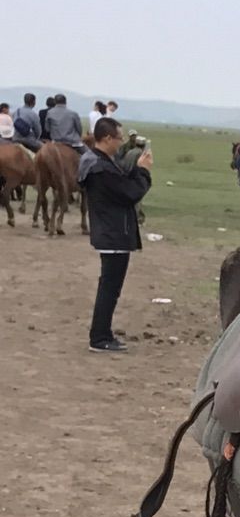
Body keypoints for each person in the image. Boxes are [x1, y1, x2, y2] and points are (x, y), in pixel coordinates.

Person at [78, 118, 152, 352]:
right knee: (109, 288)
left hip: (109, 231)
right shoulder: (101, 168)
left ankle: (103, 332)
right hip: (114, 233)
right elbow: (130, 193)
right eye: (119, 138)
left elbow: (119, 186)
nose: (121, 143)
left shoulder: (96, 162)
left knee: (108, 287)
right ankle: (99, 337)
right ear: (107, 138)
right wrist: (144, 172)